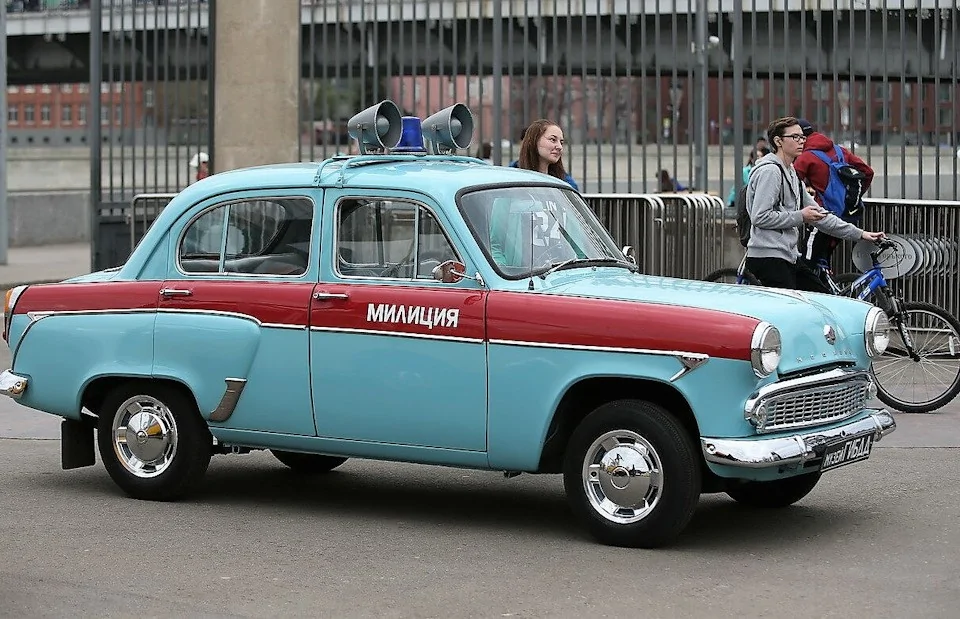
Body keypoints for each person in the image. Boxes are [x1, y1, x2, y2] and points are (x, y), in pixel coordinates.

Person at [745, 117, 885, 292]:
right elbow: (760, 217)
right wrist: (801, 216)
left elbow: (820, 215)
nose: (801, 142)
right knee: (792, 312)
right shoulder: (770, 171)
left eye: (802, 137)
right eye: (795, 137)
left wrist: (861, 234)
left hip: (788, 256)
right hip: (768, 257)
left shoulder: (791, 173)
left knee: (822, 299)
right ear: (778, 141)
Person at [793, 118, 875, 268]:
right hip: (848, 213)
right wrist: (849, 196)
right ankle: (828, 284)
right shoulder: (840, 150)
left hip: (823, 215)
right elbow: (868, 172)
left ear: (800, 137)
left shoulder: (805, 157)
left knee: (806, 263)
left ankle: (817, 289)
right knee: (823, 259)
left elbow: (790, 184)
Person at [508, 119, 579, 190]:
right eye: (553, 140)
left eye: (561, 142)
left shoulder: (566, 184)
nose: (559, 147)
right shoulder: (510, 180)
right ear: (534, 141)